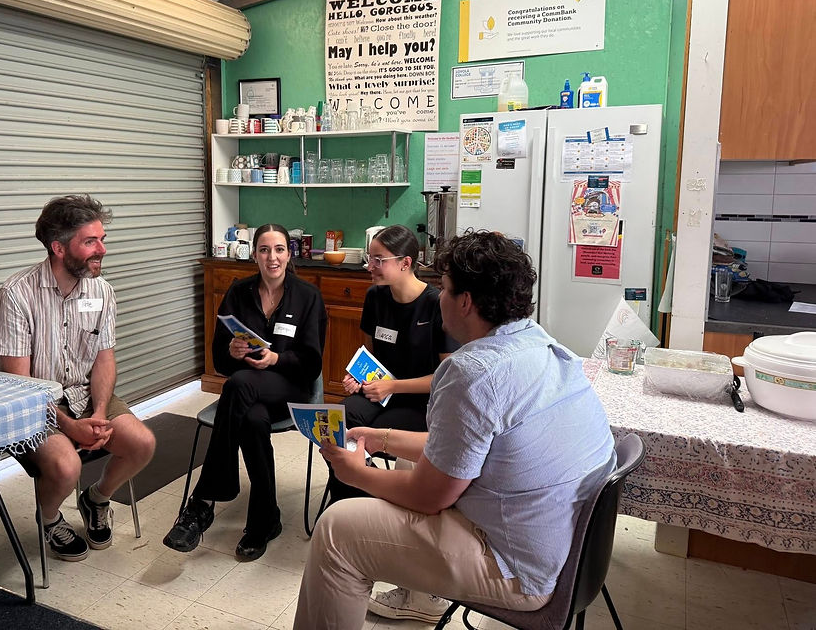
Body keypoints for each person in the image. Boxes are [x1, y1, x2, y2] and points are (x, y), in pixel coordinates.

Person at [293, 231, 616, 629]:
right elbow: (466, 446)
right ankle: (417, 596)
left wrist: (354, 473)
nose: (439, 296)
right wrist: (381, 439)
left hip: (517, 565)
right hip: (565, 546)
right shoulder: (542, 344)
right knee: (395, 475)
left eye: (444, 288)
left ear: (465, 301)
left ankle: (415, 597)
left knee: (336, 530)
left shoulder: (471, 371)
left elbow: (429, 497)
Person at [0, 194, 156, 562]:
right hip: (33, 404)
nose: (102, 250)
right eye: (90, 242)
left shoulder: (102, 291)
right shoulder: (16, 295)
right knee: (68, 466)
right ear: (59, 248)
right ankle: (49, 519)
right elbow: (19, 387)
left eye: (102, 239)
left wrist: (98, 412)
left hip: (84, 395)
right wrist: (69, 426)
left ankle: (96, 498)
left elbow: (104, 358)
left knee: (142, 443)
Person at [164, 223, 327, 561]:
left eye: (279, 249)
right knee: (251, 420)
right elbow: (220, 360)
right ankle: (265, 520)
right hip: (247, 397)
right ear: (254, 255)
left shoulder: (307, 296)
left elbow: (312, 364)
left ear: (289, 254)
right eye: (264, 250)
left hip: (290, 387)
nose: (272, 257)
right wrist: (233, 352)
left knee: (237, 385)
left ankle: (203, 502)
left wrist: (276, 358)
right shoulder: (238, 293)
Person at [326, 224, 457, 506]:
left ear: (405, 263)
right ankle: (352, 503)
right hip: (378, 392)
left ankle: (363, 499)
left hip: (421, 403)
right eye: (369, 258)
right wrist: (356, 375)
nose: (369, 266)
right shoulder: (376, 297)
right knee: (338, 424)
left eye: (378, 260)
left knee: (365, 436)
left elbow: (446, 378)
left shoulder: (436, 305)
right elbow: (369, 354)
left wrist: (393, 386)